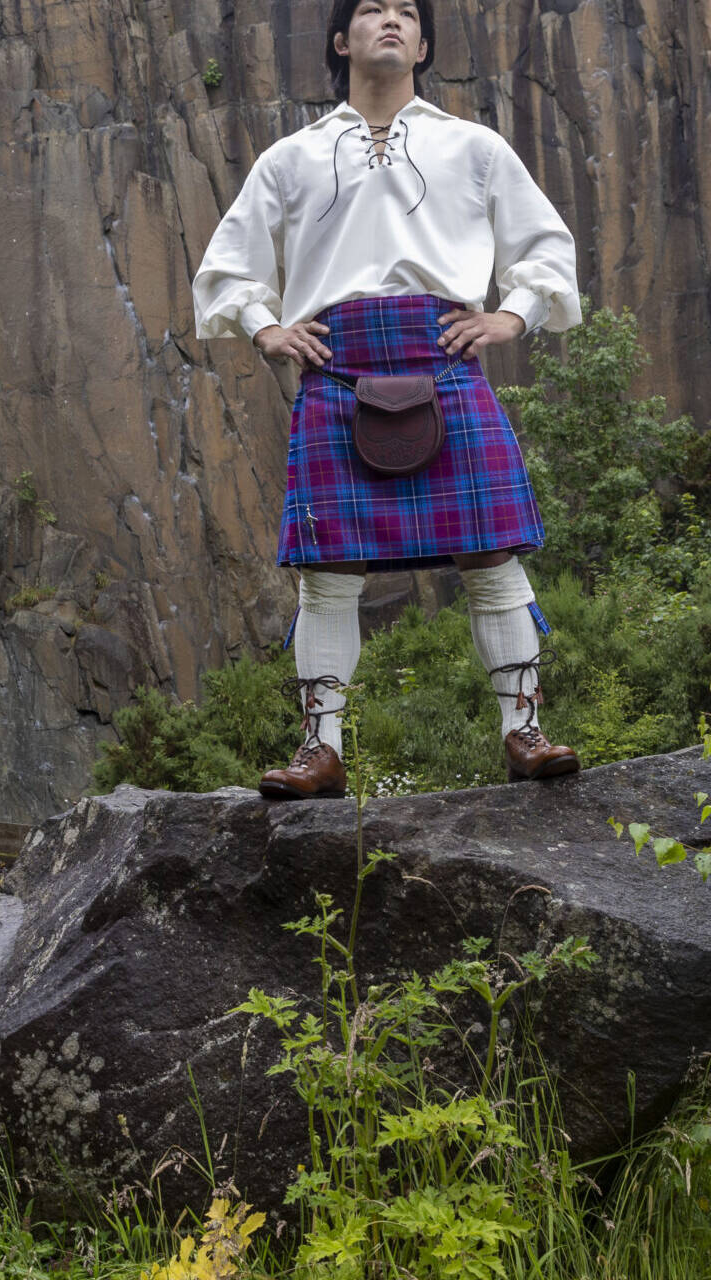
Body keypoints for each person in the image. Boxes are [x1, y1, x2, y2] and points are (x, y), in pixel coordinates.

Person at [191, 0, 583, 801]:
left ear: (425, 43)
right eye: (372, 8)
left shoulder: (473, 147)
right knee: (328, 568)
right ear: (342, 40)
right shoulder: (292, 158)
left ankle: (522, 730)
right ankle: (320, 748)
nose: (392, 19)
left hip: (443, 356)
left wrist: (513, 314)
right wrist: (267, 327)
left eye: (407, 10)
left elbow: (543, 245)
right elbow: (229, 265)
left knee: (491, 553)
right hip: (337, 365)